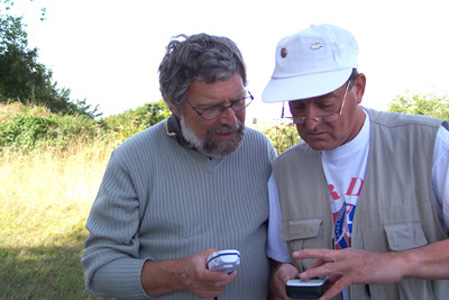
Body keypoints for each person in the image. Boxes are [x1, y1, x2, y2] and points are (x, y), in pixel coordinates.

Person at [82, 33, 277, 300]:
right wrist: (181, 274)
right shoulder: (132, 160)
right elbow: (100, 271)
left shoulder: (260, 149)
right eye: (211, 109)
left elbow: (279, 245)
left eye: (238, 101)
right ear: (175, 106)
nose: (231, 119)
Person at [262, 24, 449, 300]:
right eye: (297, 108)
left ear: (358, 88)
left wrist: (393, 263)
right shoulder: (284, 171)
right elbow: (280, 260)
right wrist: (282, 274)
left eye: (325, 104)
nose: (310, 122)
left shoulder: (429, 145)